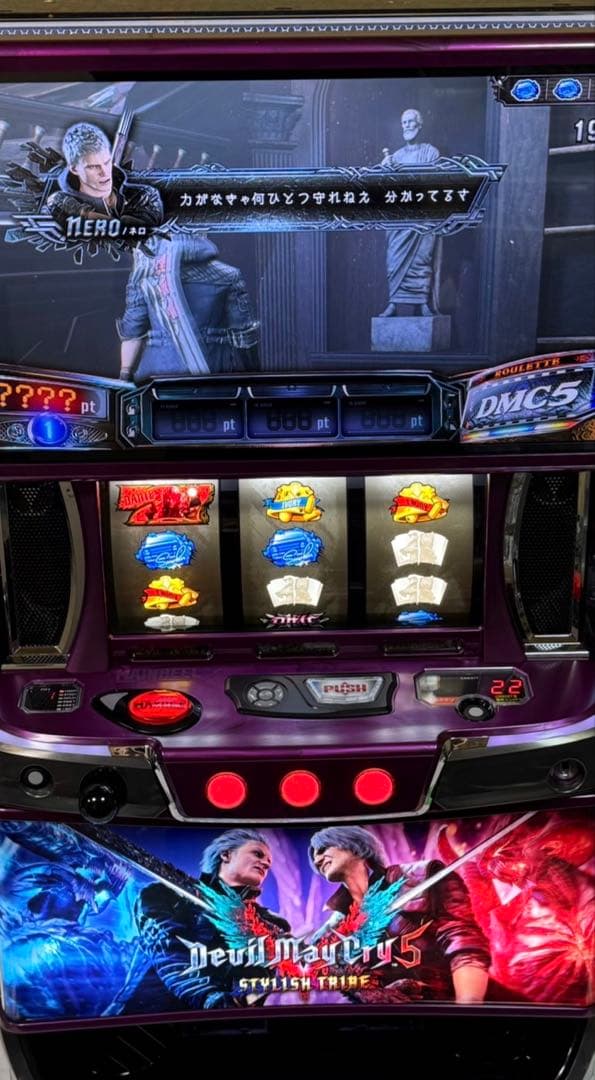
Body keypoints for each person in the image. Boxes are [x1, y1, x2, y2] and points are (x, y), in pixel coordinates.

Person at [102, 828, 290, 1015]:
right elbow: (170, 956)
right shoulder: (165, 894)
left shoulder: (270, 925)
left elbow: (258, 985)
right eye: (258, 854)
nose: (265, 863)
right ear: (226, 855)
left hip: (229, 1023)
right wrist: (210, 998)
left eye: (269, 861)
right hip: (145, 1020)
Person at [308, 824, 491, 1004]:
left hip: (448, 1004)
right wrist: (369, 992)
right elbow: (331, 971)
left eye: (322, 849)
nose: (317, 860)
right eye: (314, 857)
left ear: (353, 844)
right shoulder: (333, 930)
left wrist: (468, 1002)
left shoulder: (423, 875)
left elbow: (462, 939)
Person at [117, 232, 260, 379]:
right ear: (202, 235)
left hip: (156, 373)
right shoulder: (229, 275)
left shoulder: (145, 272)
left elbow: (133, 331)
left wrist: (124, 374)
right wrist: (255, 377)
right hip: (212, 372)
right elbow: (244, 336)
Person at [45, 122, 163, 231]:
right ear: (75, 169)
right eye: (93, 166)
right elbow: (55, 202)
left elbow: (152, 235)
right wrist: (88, 214)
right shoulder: (59, 203)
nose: (105, 172)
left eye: (106, 162)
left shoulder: (146, 196)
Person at [380, 108, 441, 317]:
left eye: (410, 121)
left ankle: (423, 303)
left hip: (422, 216)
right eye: (403, 122)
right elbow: (386, 189)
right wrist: (385, 170)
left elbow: (434, 182)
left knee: (422, 259)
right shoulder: (395, 157)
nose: (406, 126)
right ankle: (393, 303)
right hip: (400, 219)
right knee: (394, 259)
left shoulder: (431, 153)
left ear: (419, 125)